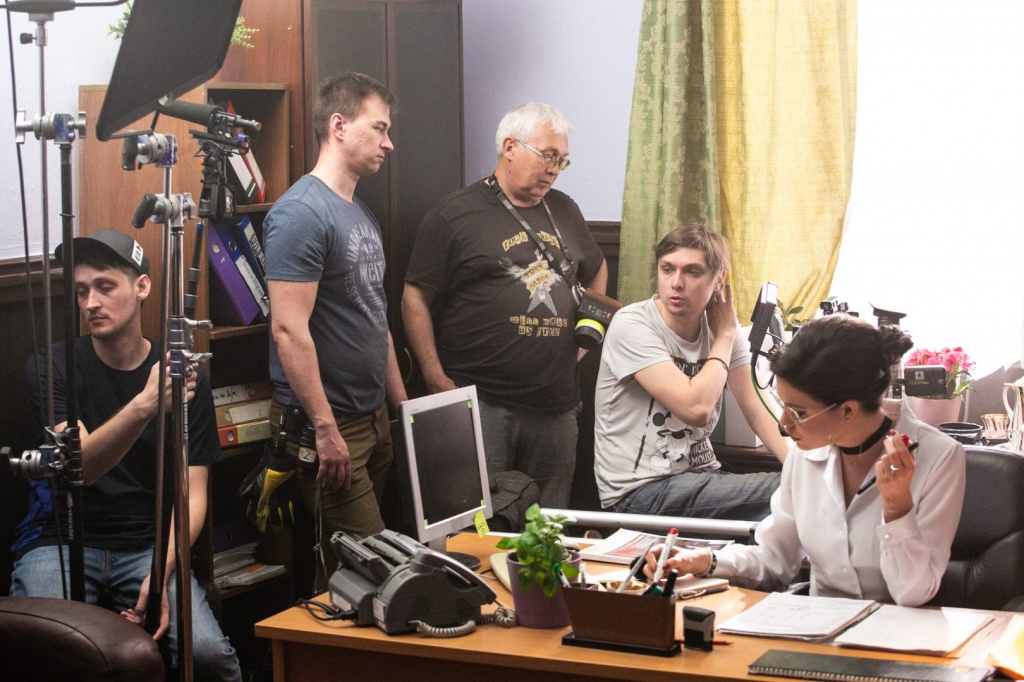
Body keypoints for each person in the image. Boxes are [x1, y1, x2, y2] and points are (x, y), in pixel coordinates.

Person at [12, 228, 241, 680]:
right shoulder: (51, 367)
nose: (90, 303)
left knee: (210, 658)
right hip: (59, 540)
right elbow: (82, 467)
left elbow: (193, 495)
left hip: (146, 547)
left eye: (104, 286)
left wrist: (162, 569)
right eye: (81, 291)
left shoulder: (183, 377)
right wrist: (145, 404)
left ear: (141, 287)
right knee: (43, 656)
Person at [643, 314, 967, 606]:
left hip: (899, 638)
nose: (784, 423)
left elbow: (913, 593)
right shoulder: (806, 452)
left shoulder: (939, 458)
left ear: (848, 410)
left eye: (798, 412)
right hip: (815, 631)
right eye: (783, 405)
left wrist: (897, 509)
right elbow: (774, 561)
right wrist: (703, 560)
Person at [403, 102, 608, 508]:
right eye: (548, 155)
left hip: (557, 406)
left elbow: (597, 269)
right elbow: (415, 298)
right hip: (484, 404)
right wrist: (434, 377)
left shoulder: (565, 209)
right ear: (510, 147)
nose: (554, 168)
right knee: (480, 523)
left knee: (546, 527)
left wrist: (586, 339)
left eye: (562, 160)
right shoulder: (454, 214)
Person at [264, 73, 407, 583]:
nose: (389, 143)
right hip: (329, 425)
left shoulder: (359, 213)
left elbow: (376, 318)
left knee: (354, 575)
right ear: (339, 126)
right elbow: (288, 331)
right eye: (379, 128)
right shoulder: (301, 213)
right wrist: (325, 429)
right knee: (377, 574)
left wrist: (402, 410)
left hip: (372, 419)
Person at [593, 224, 789, 521]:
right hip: (639, 492)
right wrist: (725, 336)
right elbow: (695, 409)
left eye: (692, 272)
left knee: (796, 496)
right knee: (786, 491)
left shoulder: (723, 329)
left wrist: (806, 470)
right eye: (667, 269)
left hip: (702, 475)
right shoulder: (632, 324)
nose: (676, 283)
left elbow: (758, 408)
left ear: (719, 278)